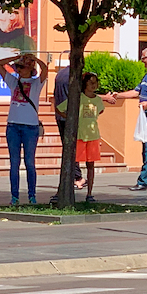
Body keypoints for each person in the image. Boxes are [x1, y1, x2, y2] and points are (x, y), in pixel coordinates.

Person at [104, 48, 147, 190]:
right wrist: (118, 95)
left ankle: (144, 181)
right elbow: (136, 92)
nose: (142, 60)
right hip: (146, 115)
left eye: (143, 58)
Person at [0, 52, 47, 205]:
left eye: (22, 66)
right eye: (18, 67)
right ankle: (15, 196)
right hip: (13, 125)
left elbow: (45, 70)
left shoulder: (36, 83)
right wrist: (14, 58)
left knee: (29, 162)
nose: (19, 69)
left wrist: (35, 59)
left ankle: (32, 195)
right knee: (14, 163)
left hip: (30, 127)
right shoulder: (13, 82)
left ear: (30, 68)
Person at [51, 62, 83, 196]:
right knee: (73, 147)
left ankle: (74, 176)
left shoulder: (59, 74)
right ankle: (76, 177)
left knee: (67, 146)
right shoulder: (76, 76)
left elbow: (54, 95)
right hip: (71, 115)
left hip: (60, 115)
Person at [72, 72, 106, 203]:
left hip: (93, 136)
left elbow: (101, 110)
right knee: (74, 163)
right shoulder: (78, 97)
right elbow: (61, 109)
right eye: (90, 82)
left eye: (95, 82)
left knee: (90, 165)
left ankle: (90, 193)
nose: (93, 85)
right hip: (80, 135)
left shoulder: (98, 100)